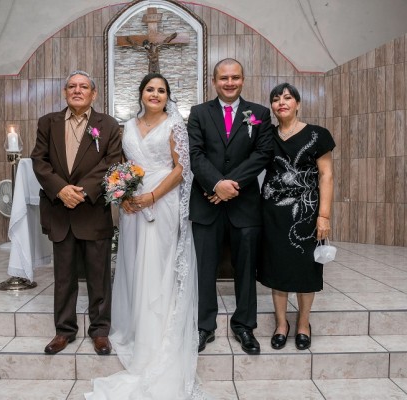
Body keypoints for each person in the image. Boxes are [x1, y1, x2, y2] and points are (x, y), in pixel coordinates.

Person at [85, 73, 208, 399]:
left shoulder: (174, 125)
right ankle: (135, 328)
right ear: (141, 94)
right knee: (134, 263)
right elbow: (122, 166)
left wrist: (152, 197)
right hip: (132, 208)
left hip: (162, 202)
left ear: (168, 96)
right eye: (150, 89)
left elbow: (182, 169)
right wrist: (123, 195)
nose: (155, 94)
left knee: (158, 264)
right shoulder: (126, 127)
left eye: (161, 90)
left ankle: (158, 333)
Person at [31, 70, 122, 355]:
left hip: (92, 209)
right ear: (64, 92)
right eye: (71, 86)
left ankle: (100, 331)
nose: (77, 91)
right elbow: (39, 160)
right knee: (64, 277)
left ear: (94, 93)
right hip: (60, 210)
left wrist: (80, 191)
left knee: (99, 276)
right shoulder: (48, 122)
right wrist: (61, 190)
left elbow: (113, 161)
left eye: (84, 87)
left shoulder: (107, 124)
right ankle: (64, 331)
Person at [188, 58, 273, 355]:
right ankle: (204, 326)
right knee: (204, 268)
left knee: (246, 267)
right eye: (223, 78)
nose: (229, 82)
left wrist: (228, 186)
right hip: (205, 203)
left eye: (235, 77)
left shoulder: (259, 114)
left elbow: (263, 154)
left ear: (243, 79)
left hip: (245, 205)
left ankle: (244, 326)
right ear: (214, 81)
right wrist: (215, 185)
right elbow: (195, 154)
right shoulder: (198, 113)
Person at [257, 82, 335, 351]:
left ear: (298, 104)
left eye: (288, 98)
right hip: (272, 213)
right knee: (276, 268)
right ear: (272, 107)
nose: (282, 102)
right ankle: (281, 324)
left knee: (305, 269)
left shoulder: (317, 134)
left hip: (306, 212)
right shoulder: (266, 135)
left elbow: (326, 175)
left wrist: (323, 215)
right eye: (276, 99)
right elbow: (248, 123)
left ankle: (303, 323)